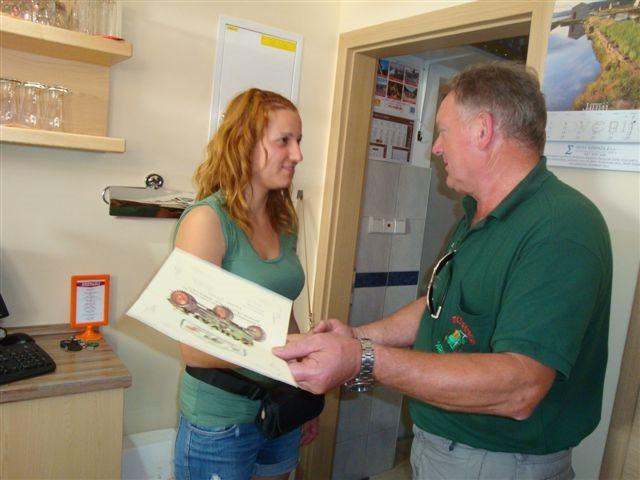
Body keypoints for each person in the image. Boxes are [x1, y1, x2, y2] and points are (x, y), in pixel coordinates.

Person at [274, 63, 612, 479]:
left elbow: (521, 387)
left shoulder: (561, 228)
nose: (435, 147)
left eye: (444, 131)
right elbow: (436, 305)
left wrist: (363, 359)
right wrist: (357, 336)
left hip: (496, 462)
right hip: (442, 446)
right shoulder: (476, 215)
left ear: (482, 130)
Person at [173, 88, 318, 480]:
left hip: (280, 409)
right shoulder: (207, 221)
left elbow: (284, 313)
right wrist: (294, 355)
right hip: (220, 423)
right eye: (284, 141)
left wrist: (304, 392)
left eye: (299, 141)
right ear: (245, 145)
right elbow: (194, 347)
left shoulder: (284, 220)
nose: (297, 154)